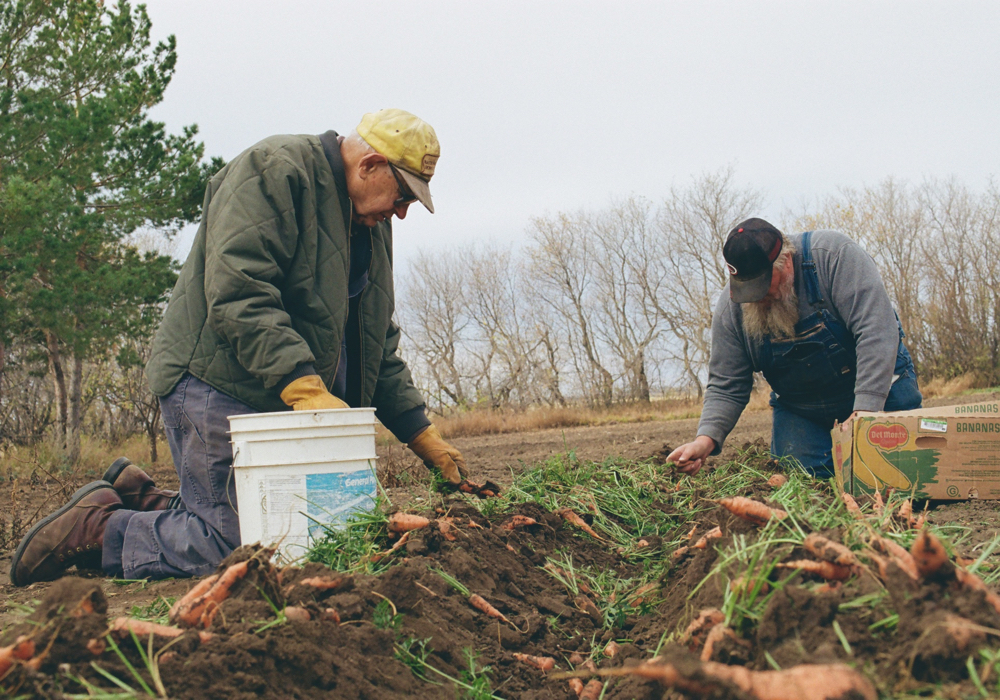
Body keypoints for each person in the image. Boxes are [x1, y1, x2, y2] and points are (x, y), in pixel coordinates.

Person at [11, 109, 469, 586]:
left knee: (311, 531)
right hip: (214, 381)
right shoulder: (276, 170)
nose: (400, 212)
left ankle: (140, 497)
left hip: (274, 391)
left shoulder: (369, 224)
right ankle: (98, 529)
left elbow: (375, 338)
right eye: (403, 196)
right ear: (370, 164)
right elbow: (239, 292)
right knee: (248, 546)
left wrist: (420, 432)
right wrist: (305, 387)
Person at [667, 218, 922, 479]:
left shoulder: (834, 257)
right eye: (748, 288)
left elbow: (876, 332)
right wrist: (704, 440)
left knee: (905, 479)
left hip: (880, 389)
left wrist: (866, 410)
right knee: (805, 489)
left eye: (764, 284)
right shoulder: (731, 309)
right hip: (804, 410)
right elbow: (726, 383)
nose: (757, 296)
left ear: (786, 260)